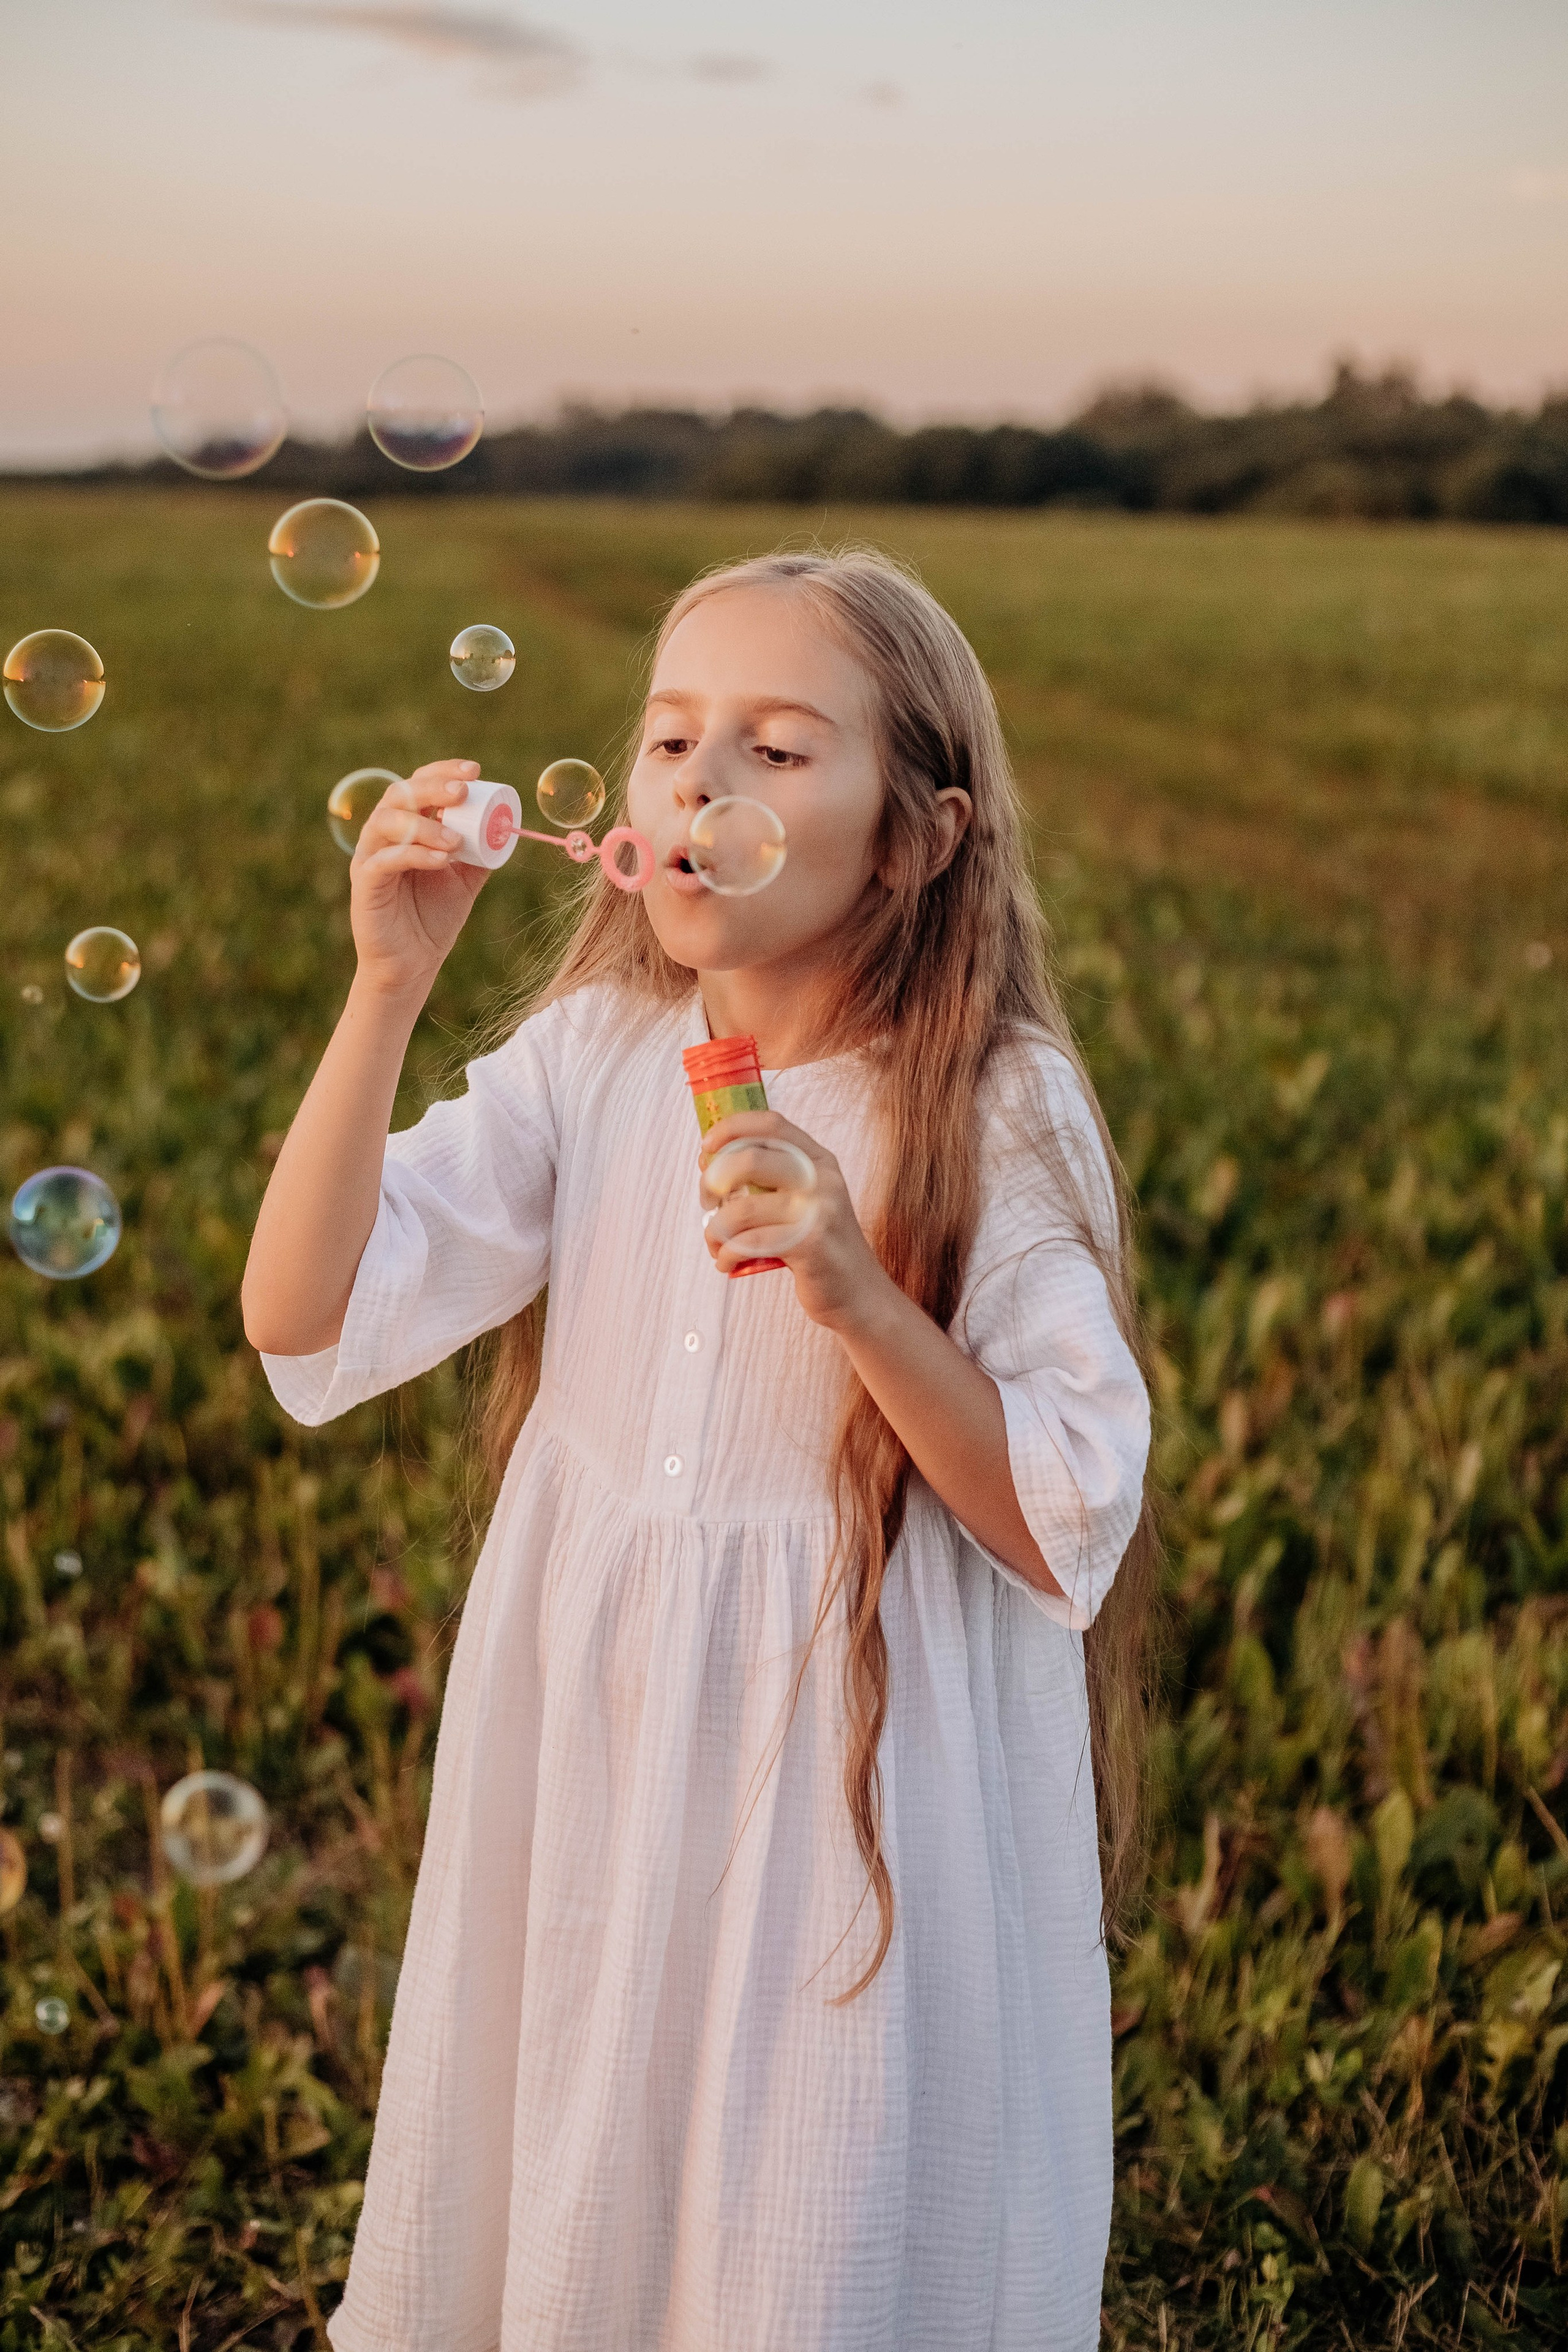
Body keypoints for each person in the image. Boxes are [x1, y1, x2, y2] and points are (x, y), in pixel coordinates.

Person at [243, 548, 1156, 2352]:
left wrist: (858, 1292)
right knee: (598, 2152)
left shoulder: (990, 1108)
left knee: (799, 2208)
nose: (695, 787)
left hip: (850, 1804)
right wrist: (385, 990)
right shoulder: (590, 1058)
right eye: (670, 741)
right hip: (598, 1753)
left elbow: (1060, 1517)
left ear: (918, 838)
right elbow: (300, 1308)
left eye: (776, 750)